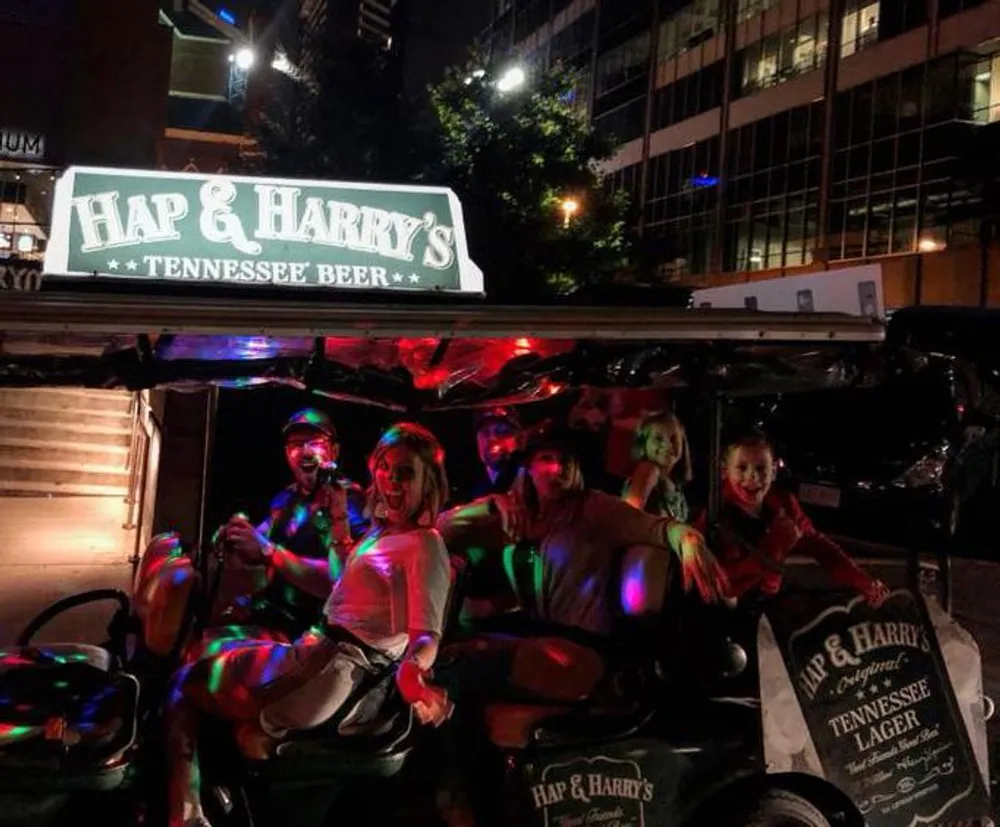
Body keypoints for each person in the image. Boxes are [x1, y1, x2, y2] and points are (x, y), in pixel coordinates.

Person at [167, 423, 454, 827]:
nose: (390, 480)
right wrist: (337, 519)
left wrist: (414, 671)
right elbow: (343, 580)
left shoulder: (424, 544)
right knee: (207, 654)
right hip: (316, 654)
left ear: (429, 481)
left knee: (185, 683)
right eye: (384, 468)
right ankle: (210, 802)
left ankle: (186, 814)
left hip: (328, 668)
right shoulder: (384, 531)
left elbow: (426, 634)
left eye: (404, 472)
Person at [438, 430, 729, 639]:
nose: (558, 467)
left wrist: (688, 539)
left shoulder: (594, 508)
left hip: (583, 643)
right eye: (547, 458)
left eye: (566, 460)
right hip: (536, 636)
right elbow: (440, 530)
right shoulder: (518, 514)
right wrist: (491, 503)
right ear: (529, 467)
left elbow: (657, 528)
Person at [217, 408, 367, 640]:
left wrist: (269, 551)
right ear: (287, 453)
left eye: (315, 443)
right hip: (265, 616)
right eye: (296, 445)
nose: (305, 452)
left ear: (334, 452)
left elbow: (344, 581)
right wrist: (234, 535)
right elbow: (257, 541)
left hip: (310, 634)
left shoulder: (349, 502)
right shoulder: (286, 499)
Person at [697, 431, 889, 606]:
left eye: (761, 468)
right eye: (742, 467)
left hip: (771, 607)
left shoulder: (783, 504)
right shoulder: (714, 512)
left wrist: (863, 582)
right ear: (724, 471)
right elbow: (719, 583)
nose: (752, 477)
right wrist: (773, 549)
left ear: (773, 472)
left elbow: (819, 546)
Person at [622, 411, 693, 522]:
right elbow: (628, 518)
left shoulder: (675, 483)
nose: (667, 445)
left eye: (674, 438)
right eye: (658, 439)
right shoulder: (648, 471)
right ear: (644, 443)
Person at [471, 408, 527, 497]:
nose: (493, 439)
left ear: (520, 440)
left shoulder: (535, 483)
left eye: (503, 432)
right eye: (485, 433)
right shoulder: (468, 493)